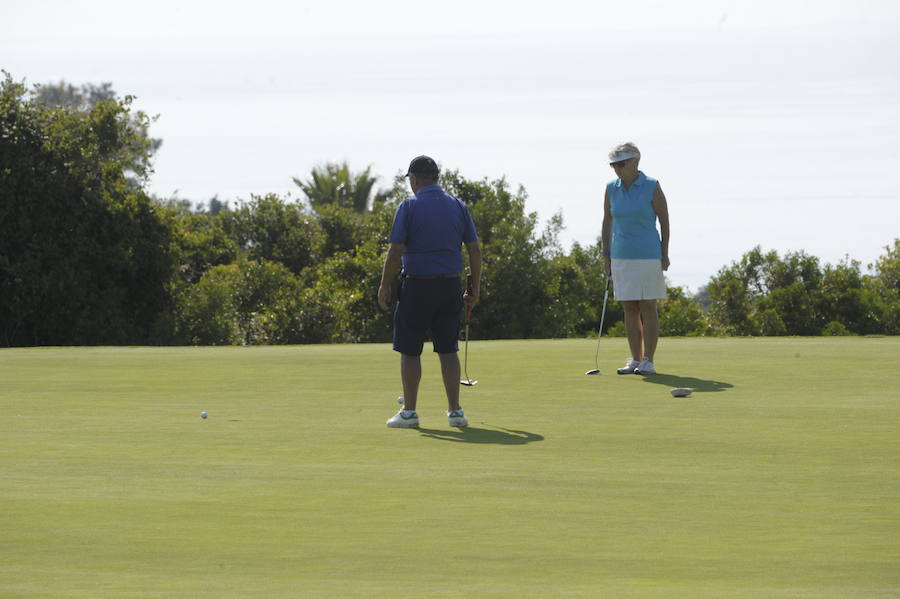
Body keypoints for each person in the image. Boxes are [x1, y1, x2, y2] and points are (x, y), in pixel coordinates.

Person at [378, 155, 482, 428]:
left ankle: (409, 413)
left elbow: (396, 250)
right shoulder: (458, 206)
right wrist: (473, 288)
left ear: (413, 179)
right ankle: (456, 412)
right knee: (448, 349)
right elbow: (474, 249)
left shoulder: (409, 206)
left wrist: (384, 285)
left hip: (417, 286)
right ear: (436, 177)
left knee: (410, 350)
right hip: (450, 285)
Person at [601, 142, 670, 375]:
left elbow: (664, 220)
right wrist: (606, 255)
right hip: (621, 255)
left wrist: (664, 252)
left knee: (647, 306)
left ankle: (648, 360)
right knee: (629, 308)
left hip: (648, 254)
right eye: (613, 165)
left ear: (635, 162)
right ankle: (635, 359)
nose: (616, 168)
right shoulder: (611, 188)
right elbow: (607, 222)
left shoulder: (651, 186)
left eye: (621, 164)